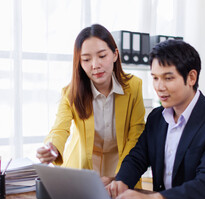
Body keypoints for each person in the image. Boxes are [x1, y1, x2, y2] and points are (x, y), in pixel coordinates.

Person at [106, 39, 205, 199]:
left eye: (168, 78)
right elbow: (137, 158)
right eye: (155, 78)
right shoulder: (157, 117)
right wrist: (121, 182)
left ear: (191, 77)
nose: (159, 87)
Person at [36, 24, 145, 186]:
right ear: (79, 62)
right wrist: (52, 147)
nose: (95, 65)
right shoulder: (70, 92)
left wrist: (121, 176)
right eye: (86, 59)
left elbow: (136, 134)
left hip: (121, 169)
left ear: (115, 55)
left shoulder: (134, 87)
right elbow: (60, 128)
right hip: (80, 172)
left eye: (102, 56)